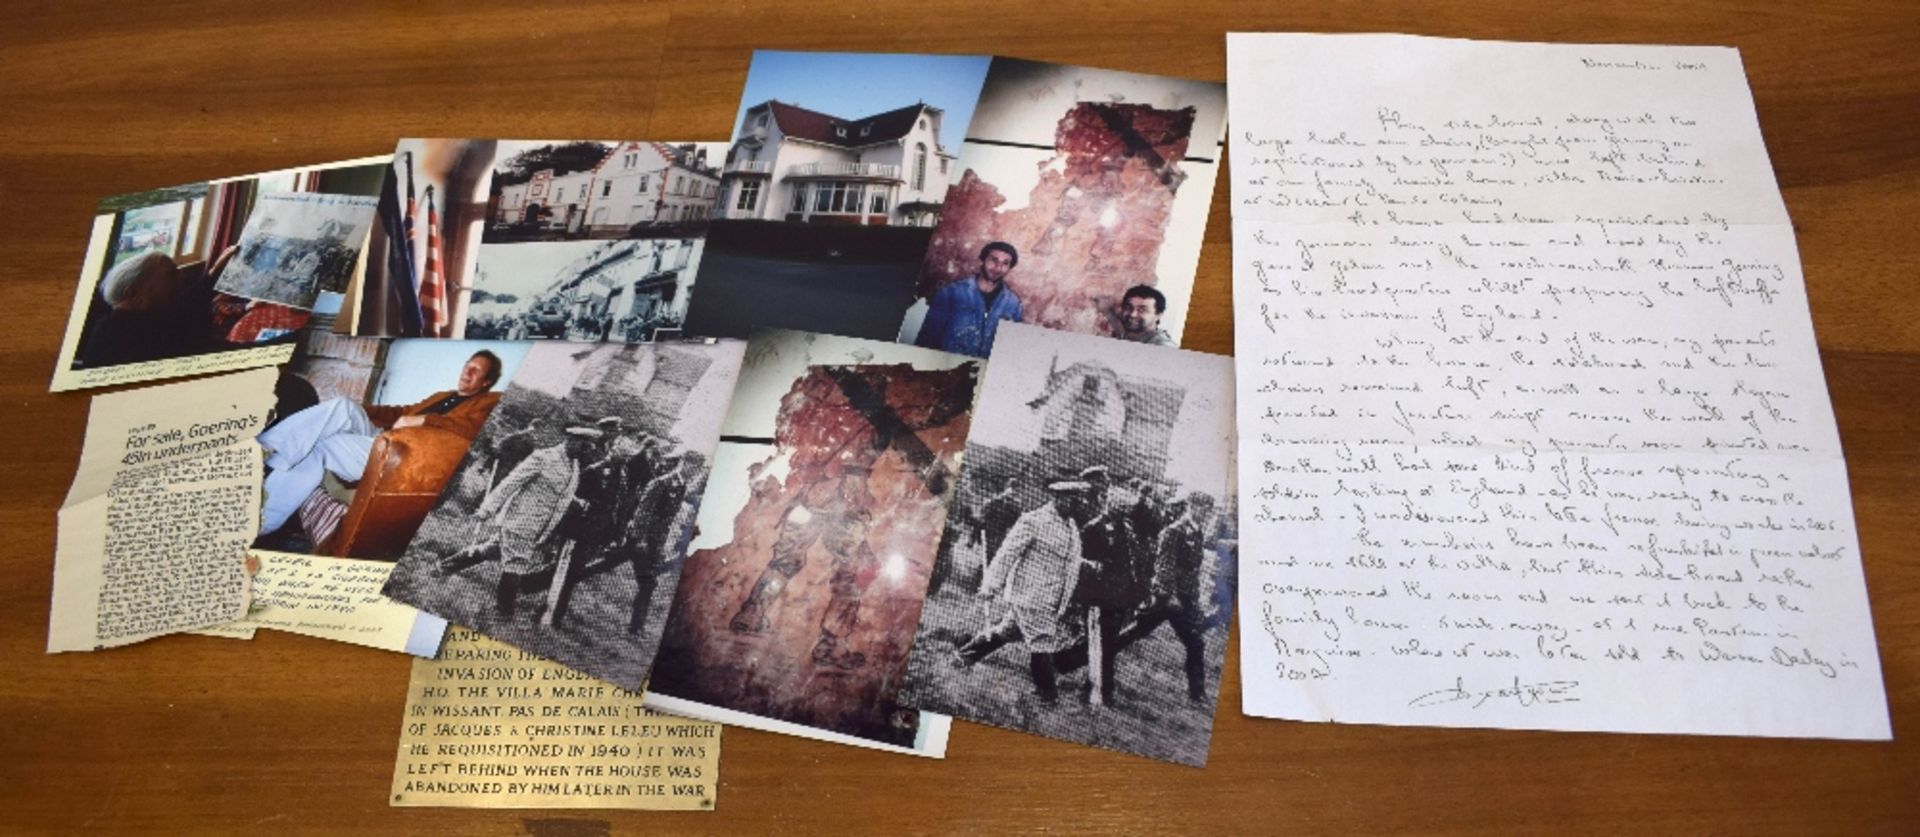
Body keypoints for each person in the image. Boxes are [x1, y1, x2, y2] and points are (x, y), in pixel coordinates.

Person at [256, 350, 503, 536]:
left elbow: (473, 429)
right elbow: (399, 411)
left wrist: (422, 419)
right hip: (382, 440)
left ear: (486, 382)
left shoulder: (490, 402)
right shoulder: (442, 395)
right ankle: (263, 522)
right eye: (467, 366)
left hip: (406, 456)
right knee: (328, 428)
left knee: (324, 438)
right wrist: (359, 409)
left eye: (476, 370)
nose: (467, 372)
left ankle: (266, 449)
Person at [950, 480, 1097, 705]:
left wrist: (1088, 565)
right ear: (1057, 497)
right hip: (1031, 596)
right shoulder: (1033, 521)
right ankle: (1046, 696)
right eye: (1073, 499)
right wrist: (990, 586)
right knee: (1042, 642)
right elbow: (1006, 554)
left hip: (1053, 600)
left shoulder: (1071, 526)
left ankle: (961, 658)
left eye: (1079, 500)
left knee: (1006, 632)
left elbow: (1068, 559)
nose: (1079, 504)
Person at [443, 427, 602, 618]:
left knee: (491, 550)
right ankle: (504, 613)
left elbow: (560, 492)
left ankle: (442, 568)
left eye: (589, 448)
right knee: (517, 563)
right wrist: (487, 509)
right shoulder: (543, 457)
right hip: (521, 521)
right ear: (572, 440)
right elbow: (511, 482)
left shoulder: (574, 465)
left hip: (540, 528)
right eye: (585, 446)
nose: (587, 452)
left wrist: (577, 502)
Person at [1121, 491, 1218, 706]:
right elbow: (1164, 566)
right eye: (1201, 507)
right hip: (1169, 598)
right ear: (1190, 506)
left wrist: (1193, 597)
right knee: (1133, 634)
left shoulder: (1196, 531)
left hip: (1186, 597)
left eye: (1208, 509)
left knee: (1195, 643)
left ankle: (1198, 695)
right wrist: (1170, 596)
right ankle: (1076, 660)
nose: (1205, 513)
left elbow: (1193, 568)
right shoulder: (1173, 531)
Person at [914, 241, 1022, 358]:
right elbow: (928, 338)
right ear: (982, 260)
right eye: (993, 260)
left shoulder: (1013, 304)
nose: (998, 267)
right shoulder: (951, 293)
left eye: (1005, 263)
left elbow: (1010, 348)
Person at [977, 476, 1025, 576]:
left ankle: (983, 576)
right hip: (993, 530)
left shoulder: (1012, 503)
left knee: (992, 555)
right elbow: (984, 513)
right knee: (991, 555)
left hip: (999, 531)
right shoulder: (1004, 500)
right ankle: (982, 576)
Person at [489, 418, 544, 489]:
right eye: (535, 428)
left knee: (498, 484)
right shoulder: (520, 435)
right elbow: (504, 442)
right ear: (531, 426)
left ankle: (484, 497)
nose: (534, 431)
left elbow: (525, 457)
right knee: (495, 482)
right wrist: (499, 452)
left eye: (537, 430)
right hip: (503, 459)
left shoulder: (531, 443)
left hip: (511, 464)